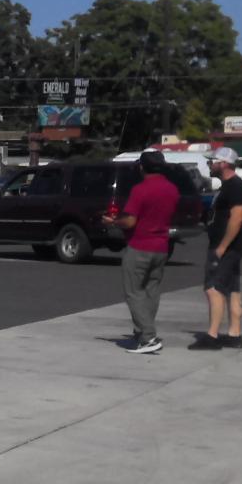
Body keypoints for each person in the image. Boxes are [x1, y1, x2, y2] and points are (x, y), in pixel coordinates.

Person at [103, 149, 177, 354]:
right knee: (151, 291)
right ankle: (142, 331)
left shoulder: (140, 190)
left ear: (142, 167)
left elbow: (130, 220)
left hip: (139, 245)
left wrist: (113, 222)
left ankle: (147, 336)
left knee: (133, 292)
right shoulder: (171, 189)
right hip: (161, 246)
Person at [190, 147, 242, 350]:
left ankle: (212, 336)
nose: (209, 165)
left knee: (213, 288)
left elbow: (238, 217)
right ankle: (234, 334)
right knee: (233, 290)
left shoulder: (235, 187)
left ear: (223, 163)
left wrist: (222, 246)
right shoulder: (228, 187)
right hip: (229, 246)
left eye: (212, 161)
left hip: (226, 247)